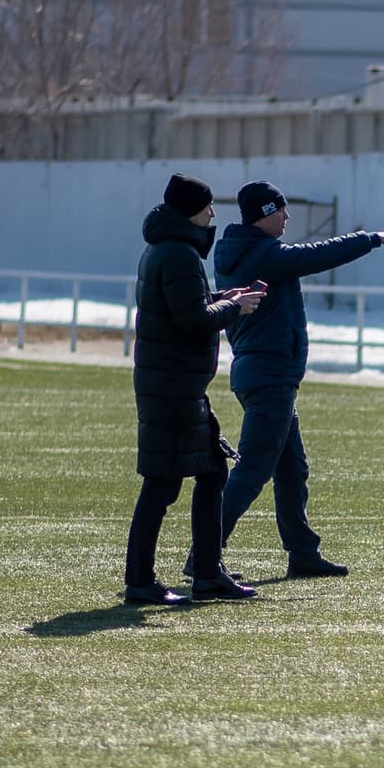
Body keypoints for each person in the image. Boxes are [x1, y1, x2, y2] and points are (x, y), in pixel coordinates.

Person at [208, 179, 384, 579]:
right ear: (265, 214)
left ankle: (302, 553)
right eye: (280, 209)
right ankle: (204, 553)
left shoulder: (246, 251)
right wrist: (373, 238)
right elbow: (317, 255)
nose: (287, 216)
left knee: (291, 469)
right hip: (269, 376)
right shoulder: (264, 254)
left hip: (264, 374)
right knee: (254, 470)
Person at [123, 173, 266, 605]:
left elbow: (186, 307)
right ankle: (143, 581)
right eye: (207, 208)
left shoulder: (164, 248)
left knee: (210, 471)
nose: (213, 215)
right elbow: (192, 321)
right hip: (173, 386)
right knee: (162, 485)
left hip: (172, 384)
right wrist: (234, 307)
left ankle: (207, 573)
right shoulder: (179, 253)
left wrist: (224, 296)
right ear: (192, 212)